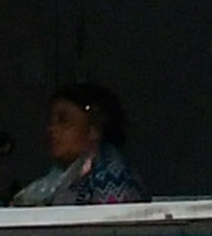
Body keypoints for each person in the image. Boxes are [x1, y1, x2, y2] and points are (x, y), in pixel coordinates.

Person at [10, 83, 147, 207]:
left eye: (63, 120)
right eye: (51, 121)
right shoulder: (66, 175)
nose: (51, 129)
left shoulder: (110, 176)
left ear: (94, 130)